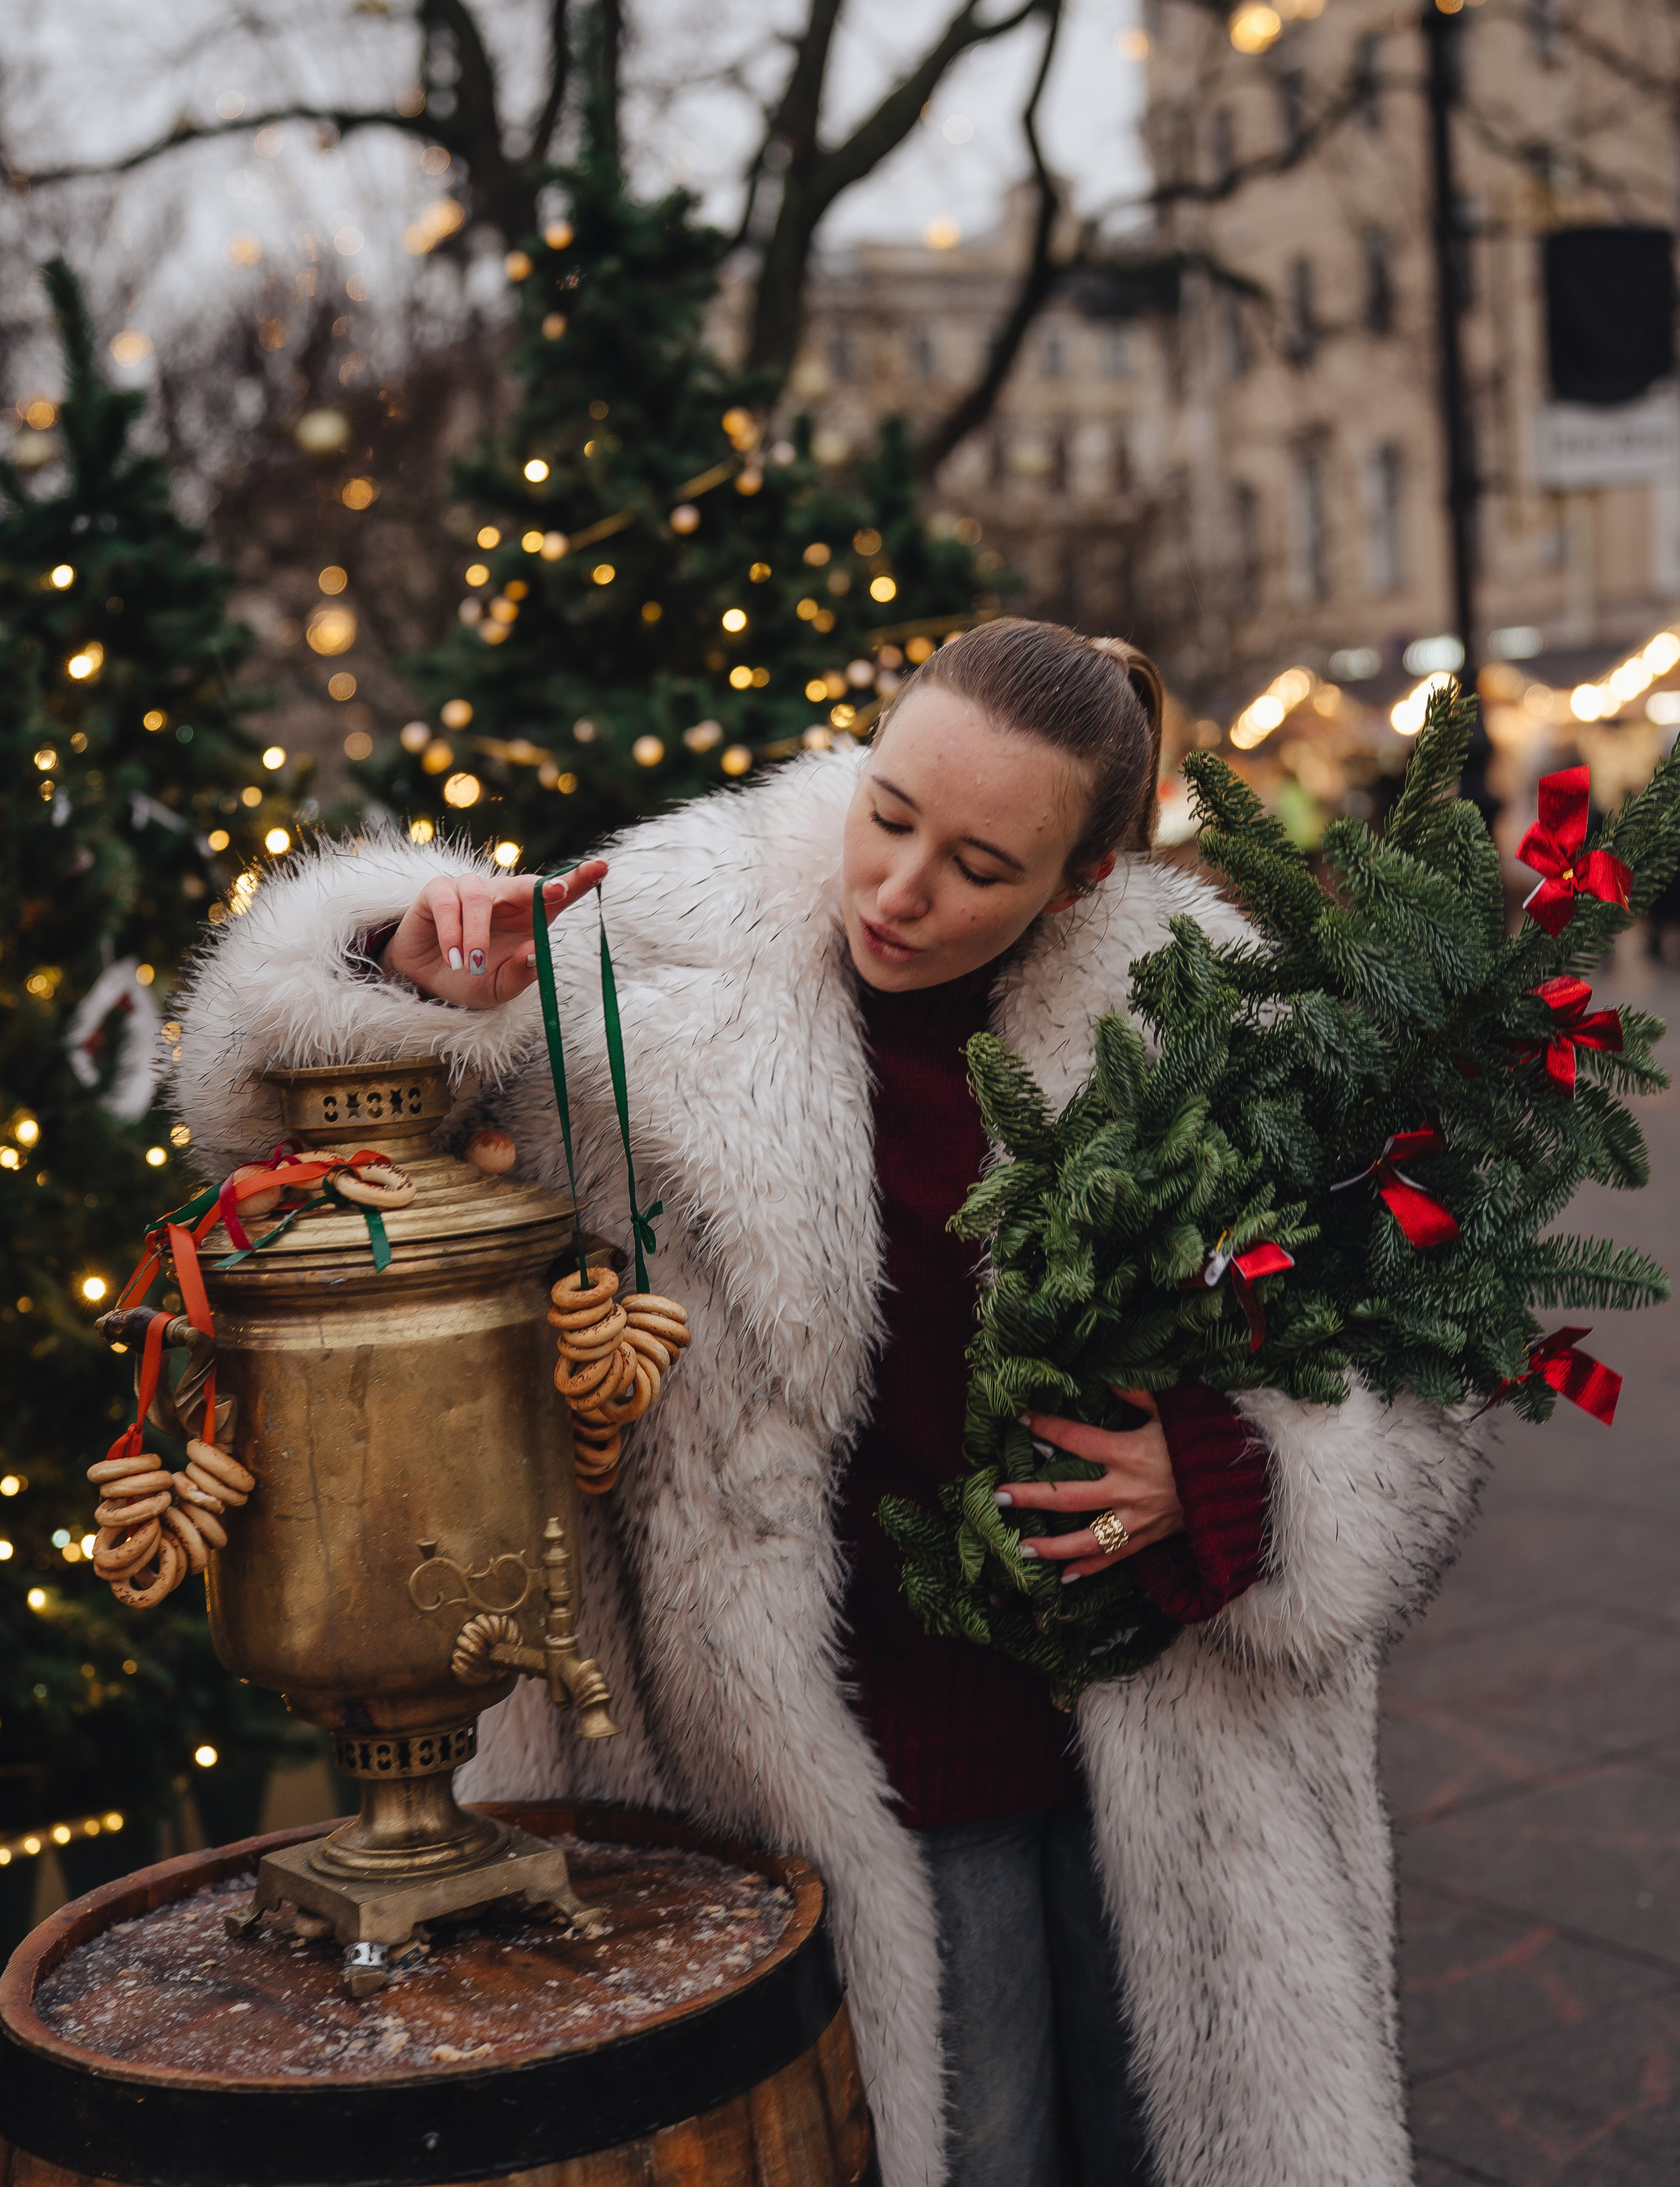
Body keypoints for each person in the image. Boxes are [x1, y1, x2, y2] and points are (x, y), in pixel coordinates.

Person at [173, 621, 1480, 2187]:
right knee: (976, 2147)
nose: (900, 889)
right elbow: (261, 1112)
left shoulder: (1215, 1014)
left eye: (980, 865)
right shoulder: (664, 936)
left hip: (1189, 1735)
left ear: (1080, 885)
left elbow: (1425, 1370)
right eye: (889, 812)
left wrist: (1236, 1483)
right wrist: (401, 969)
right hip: (842, 1756)